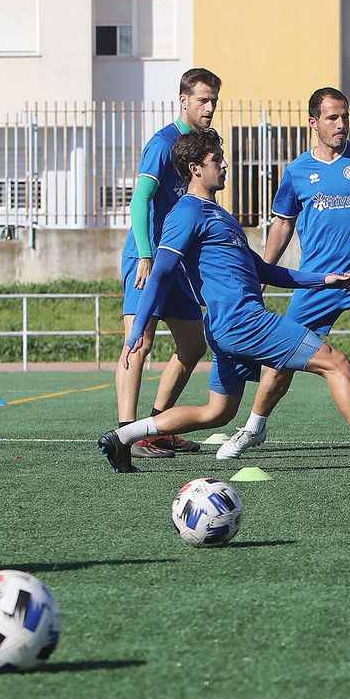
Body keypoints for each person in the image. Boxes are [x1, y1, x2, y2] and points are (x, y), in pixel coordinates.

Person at [97, 129, 350, 477]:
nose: (225, 165)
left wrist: (324, 279)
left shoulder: (219, 215)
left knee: (218, 413)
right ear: (195, 168)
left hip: (228, 326)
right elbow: (160, 273)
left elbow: (264, 270)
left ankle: (123, 437)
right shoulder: (186, 213)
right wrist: (136, 330)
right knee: (336, 362)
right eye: (217, 160)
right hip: (243, 322)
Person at [215, 87, 350, 461]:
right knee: (279, 360)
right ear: (313, 123)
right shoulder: (297, 171)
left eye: (345, 117)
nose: (341, 125)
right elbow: (282, 224)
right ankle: (253, 427)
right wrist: (263, 271)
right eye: (332, 118)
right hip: (317, 281)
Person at [114, 68, 218, 460]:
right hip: (148, 261)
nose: (208, 107)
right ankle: (126, 433)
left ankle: (155, 427)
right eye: (202, 100)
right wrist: (144, 253)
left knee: (193, 346)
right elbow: (139, 200)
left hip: (178, 265)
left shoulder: (202, 147)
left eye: (213, 101)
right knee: (137, 343)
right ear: (183, 100)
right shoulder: (162, 144)